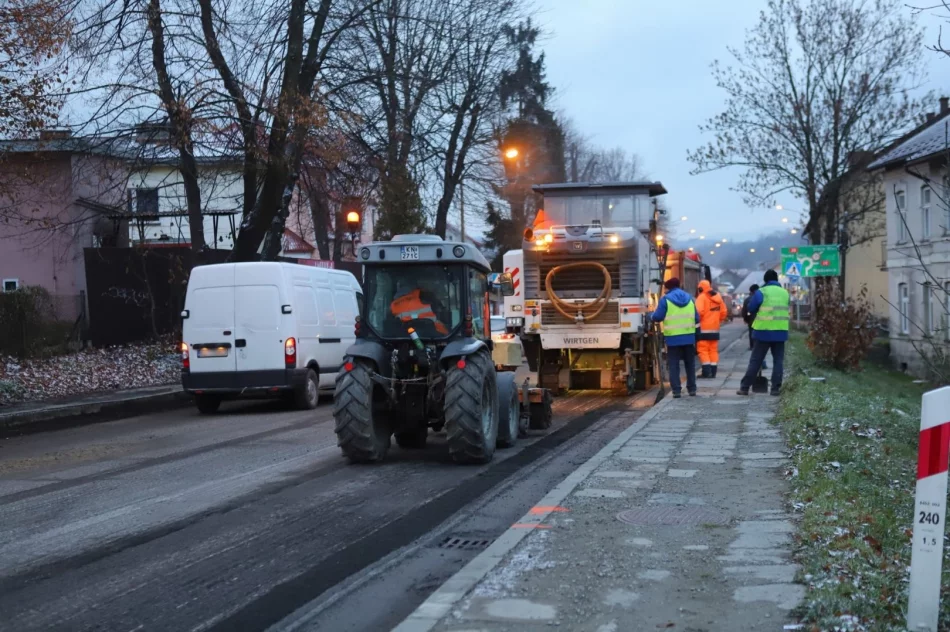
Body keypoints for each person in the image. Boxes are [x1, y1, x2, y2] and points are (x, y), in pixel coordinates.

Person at [737, 269, 789, 396]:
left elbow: (751, 307)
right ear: (776, 280)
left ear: (765, 280)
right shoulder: (785, 293)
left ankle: (745, 388)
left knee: (756, 360)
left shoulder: (761, 292)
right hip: (780, 332)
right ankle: (775, 388)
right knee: (778, 361)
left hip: (763, 332)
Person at [651, 277, 700, 398]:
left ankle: (677, 391)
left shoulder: (665, 300)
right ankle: (692, 389)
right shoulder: (690, 299)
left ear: (668, 288)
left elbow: (658, 316)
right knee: (690, 364)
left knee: (674, 365)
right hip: (689, 338)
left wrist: (650, 316)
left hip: (673, 339)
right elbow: (697, 318)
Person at [695, 279, 729, 378]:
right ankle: (713, 372)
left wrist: (698, 322)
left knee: (703, 350)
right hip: (715, 329)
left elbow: (698, 313)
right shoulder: (717, 297)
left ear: (700, 288)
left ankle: (706, 372)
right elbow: (724, 312)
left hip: (703, 329)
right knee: (713, 350)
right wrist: (717, 321)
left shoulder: (701, 298)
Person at [741, 284, 766, 369]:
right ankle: (762, 363)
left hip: (752, 323)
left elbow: (745, 311)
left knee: (755, 345)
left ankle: (756, 365)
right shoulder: (764, 297)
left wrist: (746, 319)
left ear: (751, 291)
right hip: (763, 323)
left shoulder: (748, 299)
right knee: (762, 345)